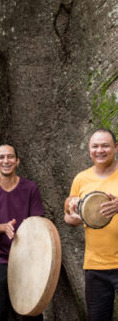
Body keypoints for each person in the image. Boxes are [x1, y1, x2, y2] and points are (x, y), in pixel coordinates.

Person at [0, 144, 44, 320]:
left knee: (32, 311)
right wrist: (2, 227)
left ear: (17, 161)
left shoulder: (30, 188)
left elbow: (37, 223)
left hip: (26, 258)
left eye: (10, 157)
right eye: (1, 157)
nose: (6, 161)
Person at [64, 128, 118, 321]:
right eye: (95, 146)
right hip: (95, 266)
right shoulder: (81, 178)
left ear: (116, 147)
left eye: (105, 145)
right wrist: (76, 217)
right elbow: (68, 215)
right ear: (89, 150)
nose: (100, 150)